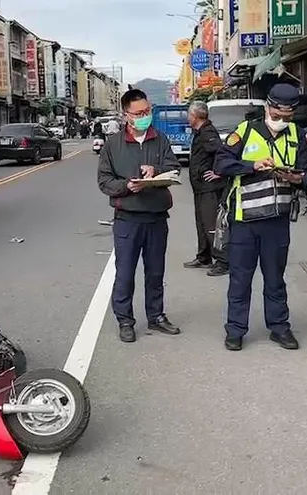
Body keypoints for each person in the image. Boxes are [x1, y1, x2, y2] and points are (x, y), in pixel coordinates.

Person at [213, 83, 307, 351]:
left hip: (277, 220)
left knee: (275, 278)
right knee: (240, 278)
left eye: (287, 117)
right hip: (244, 219)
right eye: (277, 115)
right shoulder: (244, 132)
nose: (281, 121)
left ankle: (279, 327)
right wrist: (251, 166)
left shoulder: (297, 135)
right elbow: (221, 164)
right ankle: (235, 330)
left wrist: (297, 178)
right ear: (268, 107)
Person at [97, 89, 182, 343]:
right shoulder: (113, 145)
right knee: (125, 273)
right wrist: (127, 186)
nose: (145, 116)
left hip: (157, 217)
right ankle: (125, 320)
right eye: (139, 113)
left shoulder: (161, 139)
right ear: (127, 116)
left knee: (156, 272)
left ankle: (156, 316)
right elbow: (104, 181)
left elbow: (174, 169)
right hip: (128, 219)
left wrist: (156, 171)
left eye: (147, 111)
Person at [183, 101, 229, 276]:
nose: (188, 118)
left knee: (211, 225)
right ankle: (204, 256)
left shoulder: (208, 132)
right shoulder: (200, 132)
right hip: (200, 187)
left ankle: (223, 261)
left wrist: (219, 172)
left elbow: (221, 151)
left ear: (195, 116)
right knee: (201, 224)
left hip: (210, 187)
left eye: (189, 114)